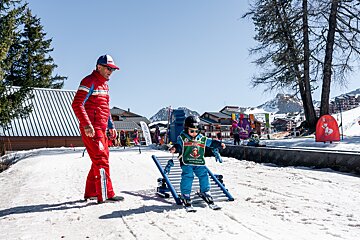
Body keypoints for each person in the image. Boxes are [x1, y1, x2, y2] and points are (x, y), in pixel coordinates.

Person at [72, 54, 124, 204]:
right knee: (101, 160)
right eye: (108, 68)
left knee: (100, 159)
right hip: (92, 128)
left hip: (101, 129)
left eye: (112, 69)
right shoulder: (89, 81)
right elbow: (77, 104)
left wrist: (111, 126)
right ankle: (105, 194)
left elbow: (105, 109)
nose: (110, 72)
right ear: (99, 67)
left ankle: (92, 192)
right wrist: (86, 124)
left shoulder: (104, 85)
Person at [169, 116, 226, 207]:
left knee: (204, 175)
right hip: (187, 162)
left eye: (196, 131)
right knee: (188, 176)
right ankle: (186, 194)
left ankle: (205, 191)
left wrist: (219, 144)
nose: (194, 133)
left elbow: (210, 142)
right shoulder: (183, 138)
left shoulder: (201, 138)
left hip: (199, 162)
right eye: (191, 131)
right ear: (186, 129)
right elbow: (179, 146)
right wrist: (175, 149)